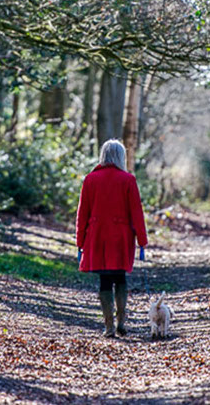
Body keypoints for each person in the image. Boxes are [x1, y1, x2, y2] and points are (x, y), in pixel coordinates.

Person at [76, 139, 148, 337]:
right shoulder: (128, 180)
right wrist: (142, 240)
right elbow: (136, 213)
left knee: (104, 280)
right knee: (120, 277)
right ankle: (121, 321)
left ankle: (108, 326)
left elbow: (83, 213)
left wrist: (80, 241)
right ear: (121, 156)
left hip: (97, 236)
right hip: (121, 237)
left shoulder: (90, 179)